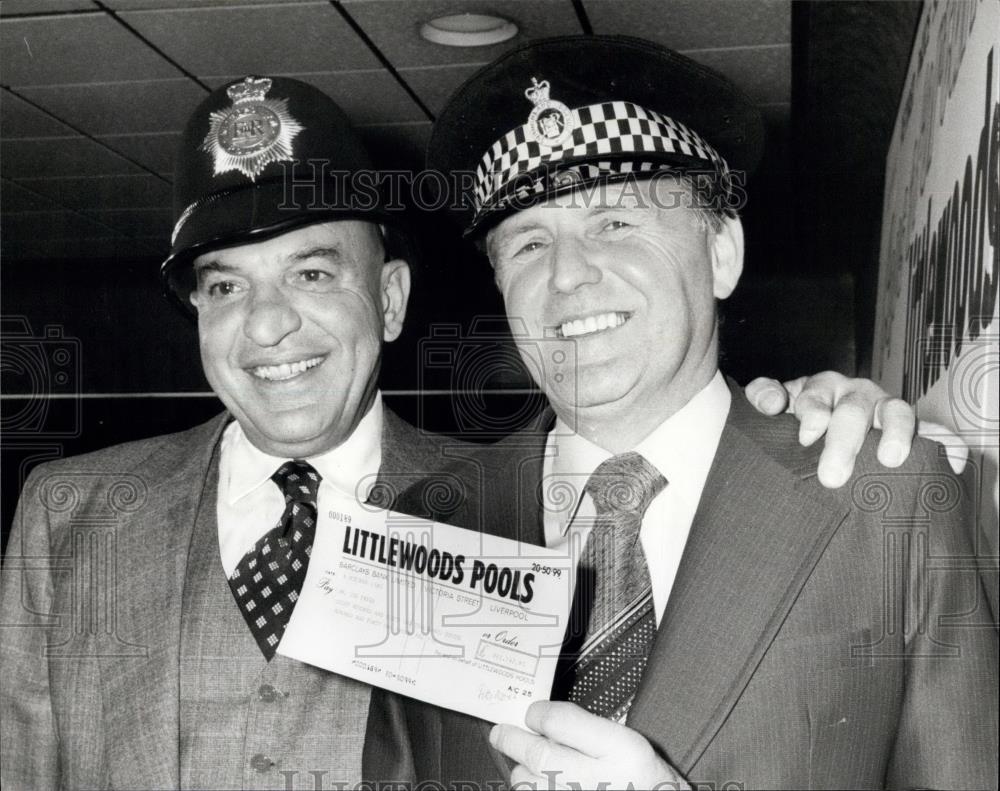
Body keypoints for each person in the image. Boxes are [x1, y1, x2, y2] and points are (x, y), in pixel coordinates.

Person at [0, 74, 927, 791]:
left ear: (393, 299)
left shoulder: (479, 510)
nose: (268, 327)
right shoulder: (71, 512)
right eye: (224, 286)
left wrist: (797, 422)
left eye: (315, 274)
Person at [368, 36, 999, 789]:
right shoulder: (429, 525)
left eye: (616, 224)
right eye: (529, 241)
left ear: (722, 253)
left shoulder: (888, 496)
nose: (567, 276)